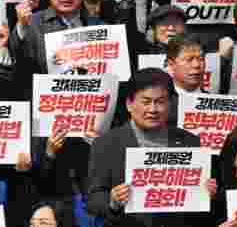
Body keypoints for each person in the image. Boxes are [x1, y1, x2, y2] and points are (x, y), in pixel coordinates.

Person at [87, 68, 204, 227]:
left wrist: (204, 193)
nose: (153, 109)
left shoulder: (190, 142)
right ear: (129, 104)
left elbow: (198, 207)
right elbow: (93, 199)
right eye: (146, 101)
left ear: (170, 104)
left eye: (160, 102)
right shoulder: (106, 144)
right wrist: (113, 200)